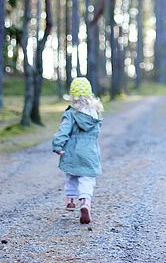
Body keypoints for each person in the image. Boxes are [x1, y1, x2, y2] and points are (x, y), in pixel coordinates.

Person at [52, 77, 104, 224]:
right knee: (87, 178)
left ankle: (70, 199)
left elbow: (63, 131)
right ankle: (85, 203)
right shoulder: (96, 114)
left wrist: (57, 145)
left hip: (72, 150)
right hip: (90, 152)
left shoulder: (70, 113)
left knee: (72, 174)